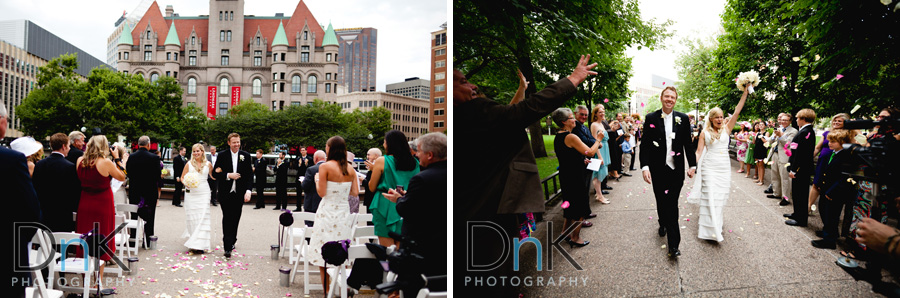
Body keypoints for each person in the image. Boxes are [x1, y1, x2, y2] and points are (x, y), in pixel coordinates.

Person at [455, 55, 597, 296]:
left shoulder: (470, 119)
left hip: (483, 211)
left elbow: (510, 115)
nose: (472, 86)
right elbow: (522, 112)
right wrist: (572, 80)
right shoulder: (471, 112)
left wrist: (522, 88)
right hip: (486, 211)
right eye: (464, 81)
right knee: (493, 267)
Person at [383, 132, 448, 285]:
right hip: (444, 243)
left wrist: (399, 199)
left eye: (419, 151)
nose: (416, 155)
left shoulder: (422, 178)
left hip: (422, 244)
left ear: (430, 155)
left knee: (415, 287)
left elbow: (406, 209)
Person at [640, 86, 698, 257]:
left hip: (676, 170)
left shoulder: (683, 118)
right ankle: (662, 222)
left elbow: (688, 144)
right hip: (657, 169)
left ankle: (674, 245)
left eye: (672, 97)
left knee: (672, 204)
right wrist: (645, 167)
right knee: (660, 199)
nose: (669, 99)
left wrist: (692, 165)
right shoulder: (651, 118)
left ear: (675, 99)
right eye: (667, 96)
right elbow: (645, 145)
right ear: (661, 98)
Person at [687, 87, 749, 242]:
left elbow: (736, 112)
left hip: (723, 168)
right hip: (708, 167)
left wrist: (745, 93)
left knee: (719, 198)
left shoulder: (727, 129)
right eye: (717, 117)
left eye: (721, 117)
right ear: (711, 119)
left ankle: (717, 224)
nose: (720, 120)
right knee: (709, 196)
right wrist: (693, 166)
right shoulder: (704, 133)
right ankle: (709, 230)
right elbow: (699, 152)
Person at [307, 136, 360, 297]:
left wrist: (317, 181)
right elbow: (355, 192)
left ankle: (327, 291)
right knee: (339, 250)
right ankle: (341, 288)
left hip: (327, 212)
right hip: (343, 213)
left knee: (323, 251)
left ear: (330, 149)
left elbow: (322, 192)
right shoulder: (350, 169)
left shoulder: (325, 167)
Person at [75, 135, 126, 284]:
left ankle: (85, 282)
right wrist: (117, 158)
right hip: (102, 204)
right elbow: (123, 176)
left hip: (84, 203)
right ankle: (98, 282)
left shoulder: (80, 161)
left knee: (85, 239)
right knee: (102, 241)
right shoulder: (106, 162)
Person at [2, 105, 42, 298]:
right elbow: (31, 209)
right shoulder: (13, 160)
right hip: (8, 245)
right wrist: (20, 239)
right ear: (2, 123)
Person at [553, 108, 602, 247]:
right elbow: (591, 152)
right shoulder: (571, 137)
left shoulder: (559, 136)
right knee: (580, 207)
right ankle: (575, 237)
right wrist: (598, 140)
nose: (574, 119)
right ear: (564, 121)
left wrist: (581, 160)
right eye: (571, 118)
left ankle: (565, 232)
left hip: (566, 175)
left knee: (569, 206)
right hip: (575, 176)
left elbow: (568, 156)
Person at [369, 130, 420, 247]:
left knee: (386, 251)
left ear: (390, 144)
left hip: (384, 203)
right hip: (406, 204)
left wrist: (373, 171)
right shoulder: (415, 163)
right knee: (402, 248)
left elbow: (372, 187)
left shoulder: (382, 160)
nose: (383, 145)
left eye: (384, 142)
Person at [810, 130, 855, 249]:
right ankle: (829, 232)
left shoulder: (845, 156)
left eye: (833, 141)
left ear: (842, 142)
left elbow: (843, 178)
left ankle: (829, 240)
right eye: (829, 141)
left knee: (832, 215)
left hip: (835, 191)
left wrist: (832, 191)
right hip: (826, 187)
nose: (829, 143)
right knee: (824, 211)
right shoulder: (833, 153)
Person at [212, 133, 254, 258]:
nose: (237, 144)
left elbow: (249, 176)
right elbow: (215, 173)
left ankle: (232, 239)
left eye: (238, 142)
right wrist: (228, 175)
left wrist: (248, 191)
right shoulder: (222, 155)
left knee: (236, 218)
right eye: (234, 142)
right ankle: (227, 246)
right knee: (227, 218)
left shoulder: (245, 156)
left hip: (239, 193)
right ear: (229, 143)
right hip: (225, 193)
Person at [33, 132, 81, 233]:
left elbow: (35, 188)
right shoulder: (70, 167)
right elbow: (74, 191)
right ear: (63, 146)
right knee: (61, 246)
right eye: (68, 146)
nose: (69, 149)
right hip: (62, 214)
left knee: (44, 245)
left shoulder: (40, 164)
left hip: (44, 213)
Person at [809, 113, 852, 214]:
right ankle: (809, 206)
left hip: (836, 162)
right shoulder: (827, 132)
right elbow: (818, 147)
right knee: (816, 183)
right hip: (823, 161)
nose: (836, 122)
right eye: (835, 120)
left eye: (839, 121)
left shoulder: (848, 134)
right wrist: (811, 158)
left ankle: (828, 210)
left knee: (828, 185)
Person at [126, 136, 162, 244]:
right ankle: (148, 239)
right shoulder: (154, 158)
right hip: (150, 191)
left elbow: (128, 172)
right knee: (150, 217)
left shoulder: (131, 157)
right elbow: (157, 175)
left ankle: (133, 239)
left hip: (135, 191)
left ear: (138, 144)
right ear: (148, 145)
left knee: (134, 215)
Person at [785, 108, 817, 227]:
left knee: (801, 194)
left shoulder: (806, 132)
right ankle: (797, 213)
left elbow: (801, 154)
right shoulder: (804, 131)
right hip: (798, 167)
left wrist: (794, 169)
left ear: (803, 119)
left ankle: (801, 219)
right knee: (796, 192)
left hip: (801, 169)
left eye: (798, 118)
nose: (797, 120)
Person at [180, 143, 214, 253]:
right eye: (194, 151)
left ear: (202, 152)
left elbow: (213, 177)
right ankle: (194, 243)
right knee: (192, 218)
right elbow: (182, 177)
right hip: (191, 194)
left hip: (204, 193)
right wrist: (186, 183)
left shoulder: (208, 164)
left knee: (203, 217)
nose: (196, 153)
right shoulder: (189, 164)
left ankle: (201, 244)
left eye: (198, 151)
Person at [570, 105, 597, 224]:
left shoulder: (584, 127)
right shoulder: (574, 128)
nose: (584, 117)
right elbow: (585, 142)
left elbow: (590, 139)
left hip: (587, 161)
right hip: (578, 162)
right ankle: (581, 217)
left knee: (586, 188)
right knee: (581, 191)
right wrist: (595, 143)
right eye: (581, 114)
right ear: (576, 114)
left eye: (586, 115)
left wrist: (594, 143)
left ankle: (586, 212)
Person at [766, 113, 798, 206]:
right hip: (775, 154)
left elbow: (788, 144)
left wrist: (780, 136)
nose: (783, 121)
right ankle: (776, 193)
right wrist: (774, 136)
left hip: (784, 156)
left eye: (785, 120)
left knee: (784, 177)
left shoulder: (793, 131)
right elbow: (770, 142)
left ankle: (786, 197)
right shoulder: (778, 129)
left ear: (790, 121)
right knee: (774, 174)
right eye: (782, 120)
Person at [590, 104, 611, 201]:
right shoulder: (594, 125)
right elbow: (595, 141)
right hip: (599, 151)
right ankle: (599, 196)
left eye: (603, 112)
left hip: (605, 149)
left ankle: (598, 193)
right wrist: (599, 156)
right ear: (595, 114)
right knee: (598, 174)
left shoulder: (602, 124)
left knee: (602, 173)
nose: (602, 114)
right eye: (600, 112)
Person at [302, 151, 328, 224]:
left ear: (316, 159)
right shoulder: (330, 169)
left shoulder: (311, 169)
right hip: (326, 203)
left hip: (312, 204)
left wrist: (302, 183)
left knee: (310, 227)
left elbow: (305, 186)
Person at [361, 148, 383, 212]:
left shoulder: (378, 167)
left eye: (369, 155)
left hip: (373, 198)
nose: (367, 157)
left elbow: (374, 183)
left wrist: (363, 181)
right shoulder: (373, 166)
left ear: (376, 156)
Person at [293, 147, 313, 211]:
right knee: (298, 192)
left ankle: (308, 206)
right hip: (299, 177)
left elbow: (311, 168)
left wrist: (306, 164)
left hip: (306, 177)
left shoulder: (310, 159)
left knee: (307, 192)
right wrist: (299, 164)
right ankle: (298, 207)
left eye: (304, 150)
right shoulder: (298, 159)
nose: (302, 151)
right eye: (301, 150)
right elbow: (295, 167)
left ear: (306, 151)